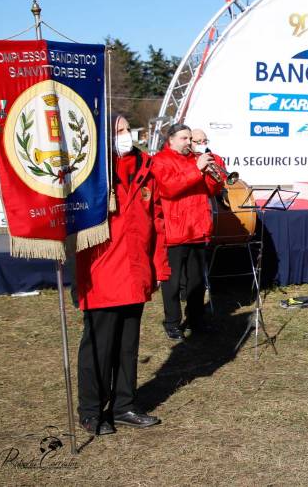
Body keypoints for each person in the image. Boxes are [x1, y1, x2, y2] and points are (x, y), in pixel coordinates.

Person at [75, 115, 168, 435]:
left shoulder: (146, 167)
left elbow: (157, 220)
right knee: (99, 346)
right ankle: (90, 410)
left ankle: (124, 404)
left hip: (136, 270)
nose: (126, 135)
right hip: (101, 271)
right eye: (118, 131)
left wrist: (159, 266)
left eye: (128, 129)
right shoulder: (89, 169)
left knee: (128, 345)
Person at [152, 123, 223, 340]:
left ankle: (196, 319)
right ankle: (172, 322)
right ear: (171, 139)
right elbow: (169, 188)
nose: (188, 142)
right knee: (172, 281)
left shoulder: (195, 160)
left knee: (196, 280)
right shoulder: (160, 160)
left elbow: (211, 189)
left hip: (198, 227)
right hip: (175, 229)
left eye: (189, 138)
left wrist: (213, 174)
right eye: (184, 138)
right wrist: (197, 169)